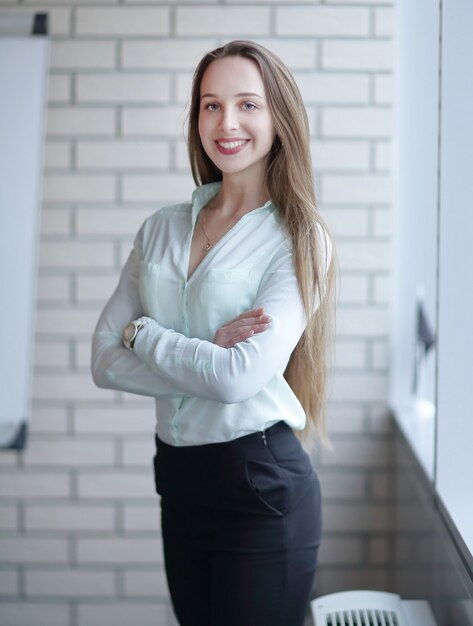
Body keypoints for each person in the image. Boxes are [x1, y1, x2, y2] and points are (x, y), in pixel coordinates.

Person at [91, 40, 336, 626]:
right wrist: (204, 352)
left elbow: (239, 378)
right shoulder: (160, 230)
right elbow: (102, 359)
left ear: (279, 118)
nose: (226, 123)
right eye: (210, 105)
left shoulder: (298, 239)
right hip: (180, 484)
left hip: (261, 489)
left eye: (248, 104)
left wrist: (144, 334)